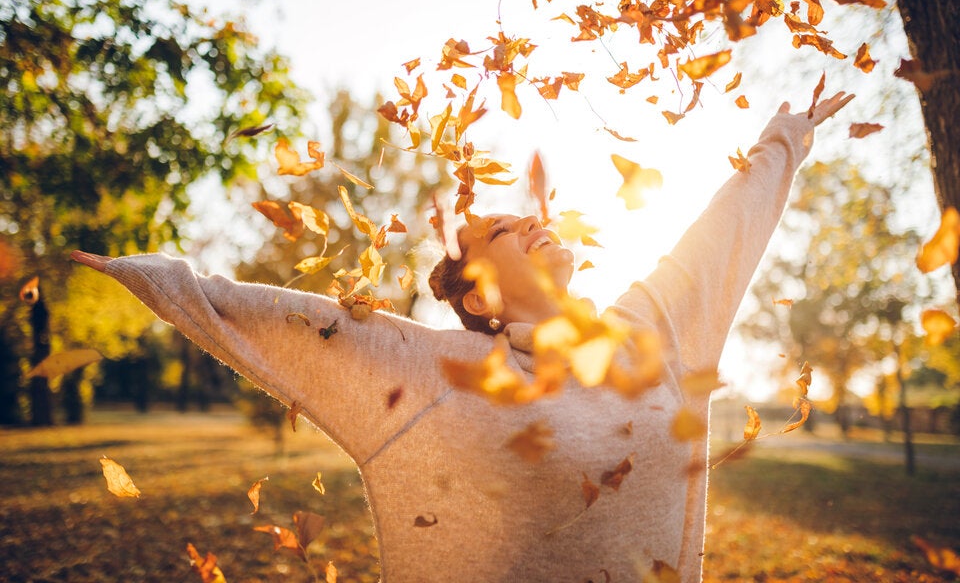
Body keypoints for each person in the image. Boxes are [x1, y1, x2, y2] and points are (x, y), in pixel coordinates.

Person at [72, 92, 853, 582]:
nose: (535, 221)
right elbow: (274, 319)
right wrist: (137, 273)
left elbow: (723, 232)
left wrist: (786, 136)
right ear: (476, 291)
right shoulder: (440, 372)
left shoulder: (655, 330)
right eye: (508, 228)